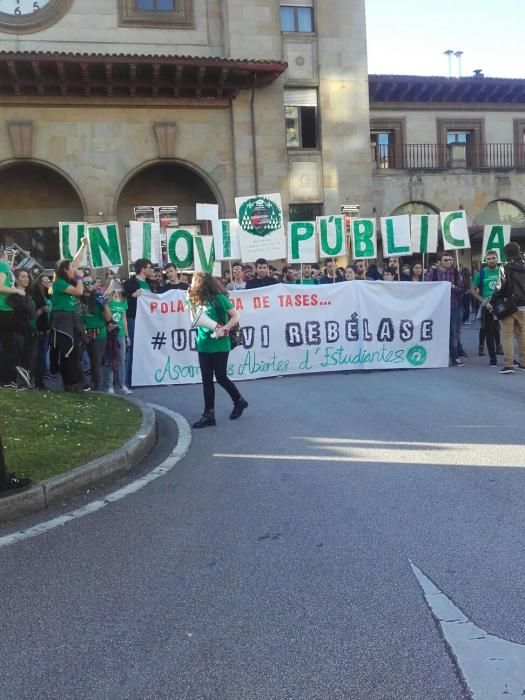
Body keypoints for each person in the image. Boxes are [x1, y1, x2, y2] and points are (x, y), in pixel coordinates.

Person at [188, 272, 248, 428]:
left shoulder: (219, 298)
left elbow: (236, 316)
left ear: (202, 284)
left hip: (220, 344)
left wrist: (225, 329)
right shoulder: (196, 300)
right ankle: (209, 414)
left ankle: (239, 401)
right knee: (206, 380)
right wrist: (189, 303)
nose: (192, 285)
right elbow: (193, 321)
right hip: (203, 344)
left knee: (220, 376)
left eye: (194, 282)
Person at [50, 240, 90, 391]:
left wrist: (83, 246)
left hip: (71, 316)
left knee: (76, 350)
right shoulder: (59, 283)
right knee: (68, 350)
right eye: (71, 268)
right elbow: (79, 292)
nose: (75, 269)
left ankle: (76, 382)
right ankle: (71, 383)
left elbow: (76, 261)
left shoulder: (67, 279)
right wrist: (79, 278)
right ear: (64, 270)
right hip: (63, 318)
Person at [487, 241, 525, 374]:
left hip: (509, 305)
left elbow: (500, 287)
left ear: (506, 254)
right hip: (523, 306)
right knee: (522, 335)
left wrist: (492, 300)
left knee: (507, 335)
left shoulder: (505, 267)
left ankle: (509, 365)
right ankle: (523, 363)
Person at [424, 251, 465, 367]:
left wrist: (452, 287)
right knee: (436, 330)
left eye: (450, 260)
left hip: (453, 305)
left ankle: (454, 357)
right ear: (439, 262)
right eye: (446, 260)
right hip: (437, 307)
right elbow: (427, 287)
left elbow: (461, 289)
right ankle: (436, 355)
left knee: (453, 331)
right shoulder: (433, 272)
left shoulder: (455, 273)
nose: (449, 262)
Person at [0, 248, 30, 388]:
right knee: (9, 347)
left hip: (5, 310)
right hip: (4, 309)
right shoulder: (3, 265)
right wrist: (17, 290)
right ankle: (7, 379)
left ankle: (6, 379)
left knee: (7, 346)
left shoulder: (5, 266)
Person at [123, 258, 153, 386]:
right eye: (149, 267)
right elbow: (122, 300)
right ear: (142, 268)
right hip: (133, 320)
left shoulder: (150, 283)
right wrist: (132, 296)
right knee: (132, 349)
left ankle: (142, 376)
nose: (151, 270)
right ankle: (128, 379)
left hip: (147, 322)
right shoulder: (130, 283)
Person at [470, 250, 502, 367]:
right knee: (489, 332)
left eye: (493, 258)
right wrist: (483, 301)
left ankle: (510, 358)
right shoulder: (481, 273)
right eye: (488, 259)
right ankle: (493, 359)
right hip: (487, 306)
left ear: (497, 259)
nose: (491, 260)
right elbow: (472, 289)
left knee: (505, 332)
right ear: (485, 260)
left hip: (502, 305)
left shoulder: (502, 271)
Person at [80, 273, 111, 391]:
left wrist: (105, 305)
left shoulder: (98, 297)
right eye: (85, 283)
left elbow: (108, 318)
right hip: (83, 333)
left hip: (98, 333)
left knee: (96, 362)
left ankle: (96, 388)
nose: (89, 285)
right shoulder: (78, 297)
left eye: (91, 282)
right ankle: (82, 384)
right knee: (75, 359)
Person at [103, 280, 132, 394]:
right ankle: (109, 386)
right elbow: (104, 315)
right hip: (110, 334)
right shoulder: (108, 299)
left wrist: (127, 335)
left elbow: (124, 319)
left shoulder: (123, 300)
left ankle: (122, 385)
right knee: (109, 359)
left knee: (121, 360)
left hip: (120, 334)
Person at [13, 268, 39, 388]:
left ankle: (27, 383)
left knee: (31, 359)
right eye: (23, 276)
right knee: (22, 358)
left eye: (27, 276)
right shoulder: (14, 295)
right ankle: (20, 383)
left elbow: (32, 314)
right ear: (16, 279)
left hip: (31, 331)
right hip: (20, 331)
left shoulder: (28, 295)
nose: (26, 279)